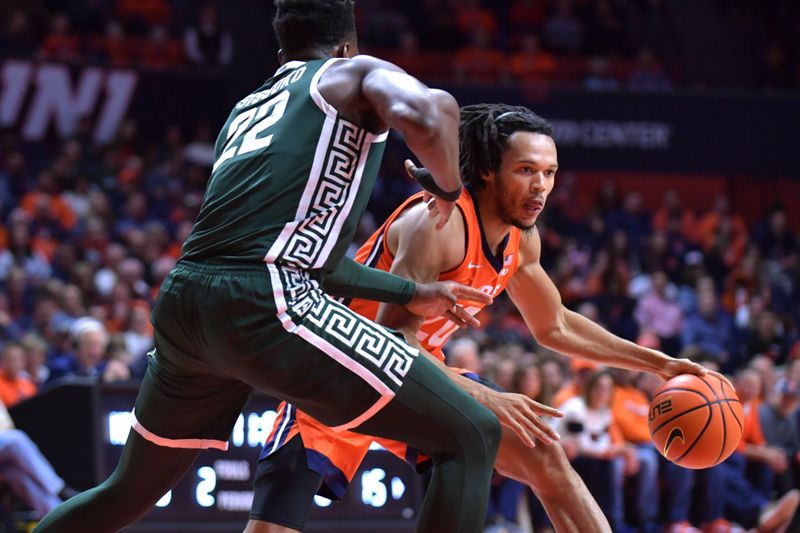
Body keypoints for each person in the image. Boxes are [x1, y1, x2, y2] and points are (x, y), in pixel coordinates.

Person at [34, 2, 516, 532]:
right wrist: (448, 189)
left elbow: (319, 262)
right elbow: (436, 109)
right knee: (471, 433)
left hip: (186, 304)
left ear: (283, 48)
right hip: (267, 298)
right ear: (345, 46)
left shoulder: (247, 110)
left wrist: (407, 291)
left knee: (125, 491)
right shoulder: (351, 73)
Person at [246, 103, 714, 533]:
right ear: (489, 171)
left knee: (543, 452)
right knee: (273, 526)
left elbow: (556, 326)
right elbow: (387, 343)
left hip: (415, 373)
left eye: (549, 173)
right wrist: (483, 393)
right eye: (526, 170)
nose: (541, 187)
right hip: (340, 371)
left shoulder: (521, 240)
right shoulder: (437, 224)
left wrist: (660, 364)